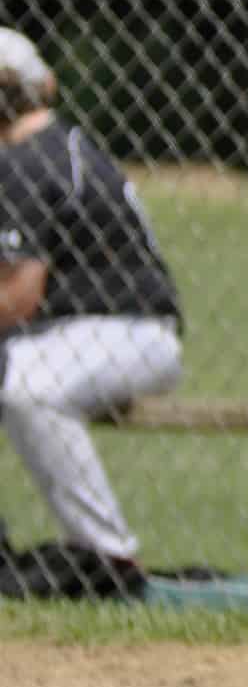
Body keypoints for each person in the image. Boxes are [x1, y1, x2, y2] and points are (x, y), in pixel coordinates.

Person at [0, 29, 183, 563]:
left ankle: (108, 554)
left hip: (120, 333)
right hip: (112, 332)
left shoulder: (22, 163)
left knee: (30, 389)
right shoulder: (65, 145)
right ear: (46, 87)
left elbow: (18, 297)